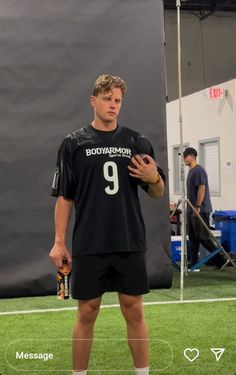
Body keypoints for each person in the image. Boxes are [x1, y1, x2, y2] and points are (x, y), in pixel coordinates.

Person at [49, 74, 165, 375]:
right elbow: (65, 197)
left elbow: (157, 192)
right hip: (90, 241)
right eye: (107, 99)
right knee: (86, 312)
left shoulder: (135, 141)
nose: (113, 105)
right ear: (93, 100)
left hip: (129, 239)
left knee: (134, 309)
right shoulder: (73, 144)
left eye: (118, 101)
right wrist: (59, 240)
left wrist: (155, 179)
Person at [183, 147, 228, 271]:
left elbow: (202, 189)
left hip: (200, 209)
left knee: (203, 236)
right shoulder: (190, 171)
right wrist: (189, 211)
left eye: (185, 157)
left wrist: (197, 206)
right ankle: (194, 264)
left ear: (192, 156)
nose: (183, 160)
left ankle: (221, 260)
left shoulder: (199, 170)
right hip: (192, 210)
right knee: (192, 237)